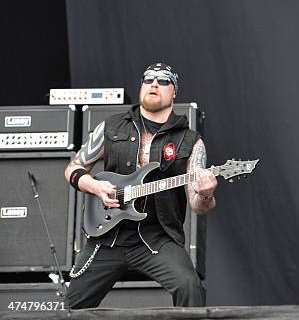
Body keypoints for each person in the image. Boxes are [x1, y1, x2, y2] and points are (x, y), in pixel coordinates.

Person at [65, 62, 217, 308]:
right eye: (148, 79)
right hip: (107, 236)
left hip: (156, 238)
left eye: (164, 80)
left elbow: (198, 206)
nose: (154, 83)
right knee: (73, 305)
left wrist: (206, 194)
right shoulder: (112, 126)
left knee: (189, 287)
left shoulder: (190, 141)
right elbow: (72, 169)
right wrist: (95, 187)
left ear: (174, 91)